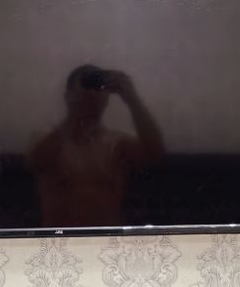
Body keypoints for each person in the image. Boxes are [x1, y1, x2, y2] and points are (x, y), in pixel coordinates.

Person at [27, 65, 164, 227]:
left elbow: (154, 155)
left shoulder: (117, 142)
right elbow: (35, 162)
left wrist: (132, 99)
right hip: (60, 238)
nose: (92, 93)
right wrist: (75, 113)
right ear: (68, 96)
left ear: (107, 98)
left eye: (98, 87)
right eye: (86, 86)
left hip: (106, 238)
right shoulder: (44, 138)